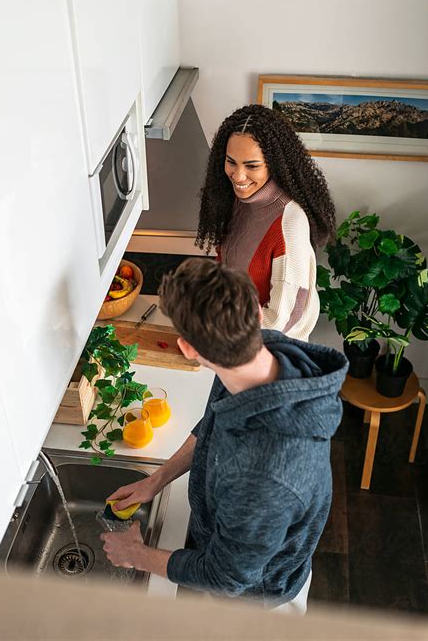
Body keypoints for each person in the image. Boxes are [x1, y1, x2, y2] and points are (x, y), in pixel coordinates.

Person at [101, 258, 348, 613]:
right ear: (257, 314)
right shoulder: (255, 355)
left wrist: (137, 555)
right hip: (248, 545)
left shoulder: (264, 475)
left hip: (258, 598)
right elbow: (211, 425)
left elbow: (227, 578)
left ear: (188, 349)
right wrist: (156, 479)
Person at [195, 104, 336, 341]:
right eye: (231, 162)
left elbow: (280, 321)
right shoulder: (240, 199)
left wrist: (218, 333)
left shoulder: (289, 224)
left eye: (252, 166)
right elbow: (228, 261)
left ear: (275, 163)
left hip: (267, 352)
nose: (238, 176)